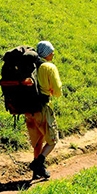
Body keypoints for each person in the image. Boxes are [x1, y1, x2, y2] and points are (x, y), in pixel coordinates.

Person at [26, 41, 62, 180]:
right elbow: (58, 91)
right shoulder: (48, 67)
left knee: (38, 141)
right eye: (51, 51)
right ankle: (38, 163)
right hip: (42, 108)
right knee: (52, 140)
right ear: (47, 53)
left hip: (28, 109)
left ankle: (36, 172)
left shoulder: (31, 65)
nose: (53, 53)